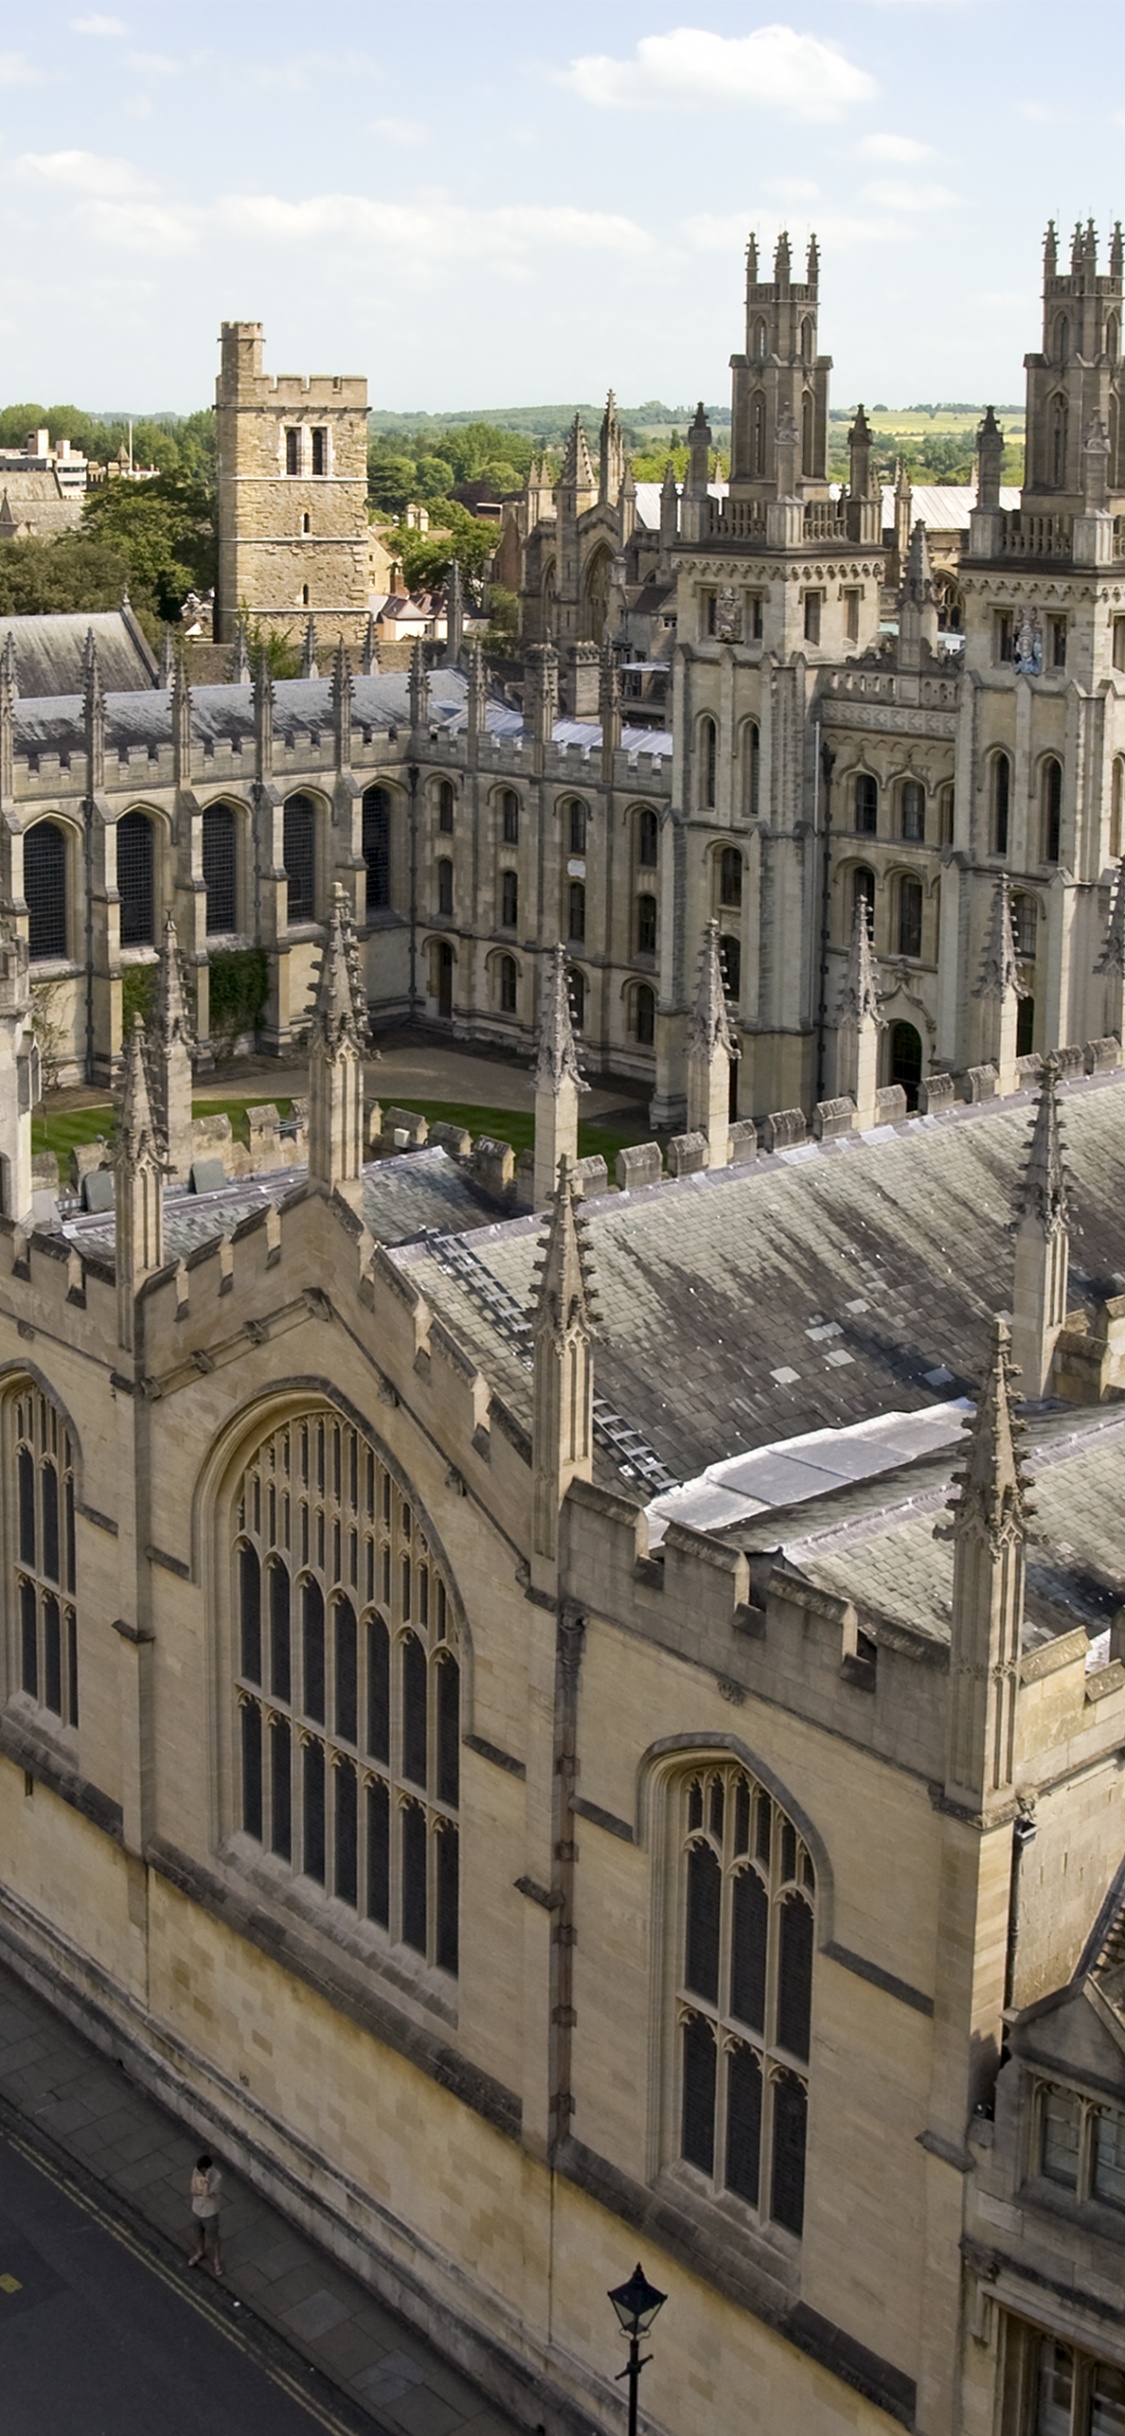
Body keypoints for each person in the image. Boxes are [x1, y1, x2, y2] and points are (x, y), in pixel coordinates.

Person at [188, 2153, 223, 2275]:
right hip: (197, 2209)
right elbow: (193, 2190)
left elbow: (206, 2194)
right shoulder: (196, 2171)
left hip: (210, 2212)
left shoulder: (217, 2177)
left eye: (203, 2171)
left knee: (214, 2238)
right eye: (199, 2171)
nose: (200, 2173)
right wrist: (201, 2191)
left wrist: (206, 2180)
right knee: (198, 2233)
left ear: (209, 2169)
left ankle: (217, 2261)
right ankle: (199, 2252)